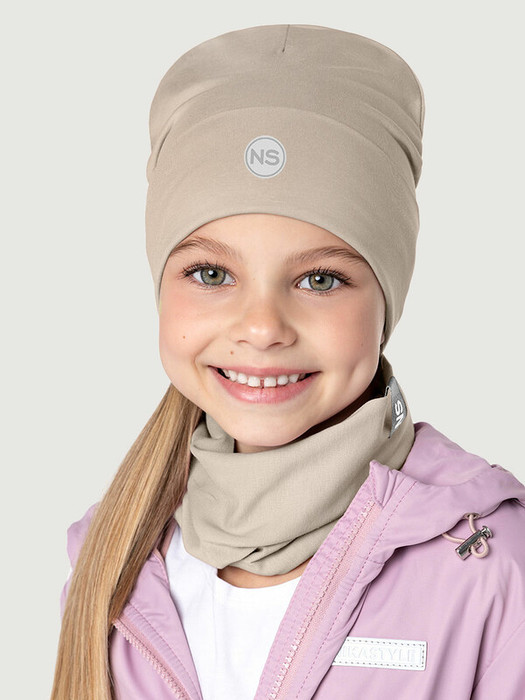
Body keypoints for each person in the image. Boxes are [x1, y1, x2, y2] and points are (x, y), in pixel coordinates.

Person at [51, 24, 525, 700]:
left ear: (386, 301)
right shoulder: (109, 566)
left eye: (319, 279)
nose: (262, 328)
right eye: (211, 274)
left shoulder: (487, 565)